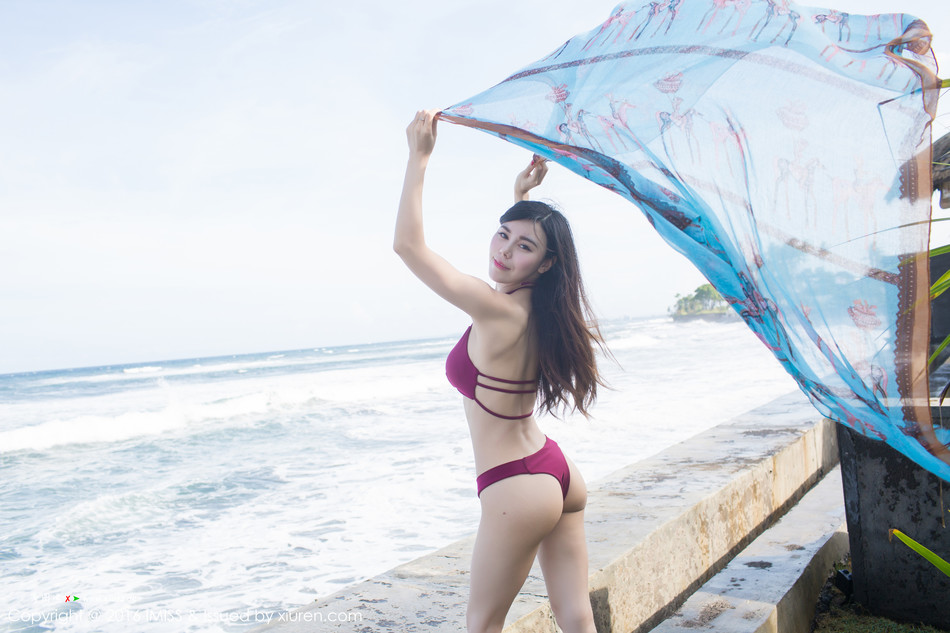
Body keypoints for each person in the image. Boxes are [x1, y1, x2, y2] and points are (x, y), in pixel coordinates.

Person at [393, 109, 603, 633]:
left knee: (481, 625)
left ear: (546, 263)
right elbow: (519, 267)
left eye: (523, 246)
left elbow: (408, 247)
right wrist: (521, 196)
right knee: (576, 617)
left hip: (516, 485)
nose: (505, 251)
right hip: (555, 470)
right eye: (502, 235)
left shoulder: (496, 310)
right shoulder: (539, 307)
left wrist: (419, 157)